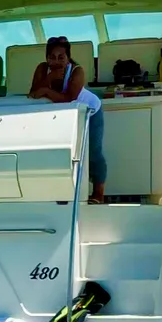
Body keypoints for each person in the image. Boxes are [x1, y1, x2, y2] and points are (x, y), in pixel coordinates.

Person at [28, 34, 107, 202]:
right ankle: (65, 191)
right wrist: (50, 78)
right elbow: (33, 93)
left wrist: (47, 91)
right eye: (52, 57)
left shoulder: (77, 71)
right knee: (63, 152)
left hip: (90, 111)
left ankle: (98, 193)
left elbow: (70, 98)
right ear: (46, 58)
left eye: (61, 57)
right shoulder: (43, 69)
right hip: (63, 115)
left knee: (93, 152)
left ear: (68, 57)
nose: (56, 61)